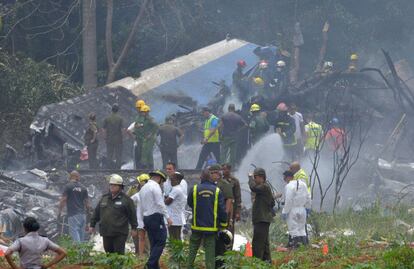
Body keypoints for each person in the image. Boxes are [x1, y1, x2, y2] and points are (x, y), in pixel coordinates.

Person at [187, 165, 227, 269]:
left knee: (192, 249)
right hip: (211, 227)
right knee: (210, 251)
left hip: (196, 226)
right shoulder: (217, 191)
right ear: (210, 178)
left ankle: (189, 266)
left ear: (201, 178)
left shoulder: (194, 189)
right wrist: (223, 224)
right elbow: (222, 210)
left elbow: (190, 203)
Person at [89, 174, 138, 254]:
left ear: (120, 187)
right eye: (111, 185)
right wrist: (92, 225)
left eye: (115, 185)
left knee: (118, 254)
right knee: (108, 253)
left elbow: (132, 215)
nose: (112, 186)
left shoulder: (126, 200)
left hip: (120, 233)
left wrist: (134, 228)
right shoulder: (104, 198)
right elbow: (96, 213)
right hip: (106, 232)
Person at [139, 170, 172, 269]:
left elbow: (140, 206)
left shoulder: (143, 188)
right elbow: (160, 203)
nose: (162, 184)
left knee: (154, 243)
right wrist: (168, 217)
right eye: (162, 182)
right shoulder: (155, 186)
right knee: (161, 240)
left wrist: (142, 220)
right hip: (155, 217)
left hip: (147, 218)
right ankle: (149, 264)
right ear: (159, 178)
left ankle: (154, 267)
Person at [248, 167, 274, 263]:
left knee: (257, 244)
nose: (254, 179)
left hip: (262, 219)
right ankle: (267, 263)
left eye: (255, 177)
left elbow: (253, 187)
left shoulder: (264, 187)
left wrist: (249, 178)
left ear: (261, 177)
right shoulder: (264, 188)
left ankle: (256, 263)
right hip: (263, 219)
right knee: (264, 244)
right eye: (253, 177)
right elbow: (272, 202)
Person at [281, 170, 311, 248]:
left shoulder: (289, 186)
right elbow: (308, 196)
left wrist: (285, 211)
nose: (284, 180)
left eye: (285, 178)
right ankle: (304, 246)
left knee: (293, 229)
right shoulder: (303, 184)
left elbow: (288, 200)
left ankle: (295, 247)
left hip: (292, 210)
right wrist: (308, 207)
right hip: (302, 209)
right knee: (301, 229)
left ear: (288, 177)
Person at [58, 171, 91, 243]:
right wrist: (88, 216)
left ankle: (78, 253)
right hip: (83, 215)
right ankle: (81, 253)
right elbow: (87, 204)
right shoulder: (83, 188)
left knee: (75, 235)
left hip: (73, 215)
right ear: (77, 177)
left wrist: (59, 212)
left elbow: (63, 200)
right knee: (81, 236)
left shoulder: (68, 186)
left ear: (70, 177)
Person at [221, 163, 242, 247]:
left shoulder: (234, 181)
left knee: (230, 229)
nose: (223, 171)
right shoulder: (220, 180)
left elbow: (238, 197)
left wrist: (237, 212)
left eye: (225, 169)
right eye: (222, 169)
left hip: (231, 209)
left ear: (229, 170)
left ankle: (229, 247)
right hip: (221, 207)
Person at [130, 173, 150, 256]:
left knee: (144, 238)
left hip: (146, 220)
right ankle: (139, 254)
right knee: (138, 237)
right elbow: (128, 201)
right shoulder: (137, 194)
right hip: (139, 220)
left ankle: (144, 254)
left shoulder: (148, 193)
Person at [165, 171, 186, 241]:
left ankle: (178, 252)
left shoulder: (176, 189)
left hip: (175, 219)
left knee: (175, 238)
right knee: (174, 238)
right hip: (174, 217)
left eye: (172, 179)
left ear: (178, 180)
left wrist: (164, 198)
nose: (171, 181)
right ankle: (176, 251)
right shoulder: (175, 188)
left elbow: (167, 202)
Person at [103, 103, 124, 169]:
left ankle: (109, 168)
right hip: (118, 139)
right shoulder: (120, 119)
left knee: (109, 154)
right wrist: (122, 137)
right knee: (118, 154)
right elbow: (123, 129)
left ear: (112, 109)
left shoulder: (107, 118)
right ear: (118, 110)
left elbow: (103, 129)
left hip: (109, 139)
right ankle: (118, 168)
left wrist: (105, 137)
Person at [139, 105, 159, 169]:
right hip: (146, 138)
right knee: (148, 152)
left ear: (147, 112)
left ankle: (145, 166)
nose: (142, 113)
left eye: (143, 112)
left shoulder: (150, 119)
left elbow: (156, 126)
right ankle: (149, 166)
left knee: (146, 151)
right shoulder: (145, 119)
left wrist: (151, 134)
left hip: (150, 138)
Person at [128, 99, 146, 169]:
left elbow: (128, 130)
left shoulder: (138, 120)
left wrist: (134, 137)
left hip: (138, 144)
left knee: (138, 163)